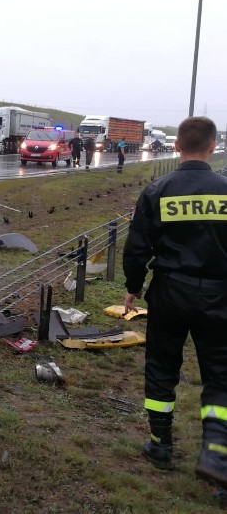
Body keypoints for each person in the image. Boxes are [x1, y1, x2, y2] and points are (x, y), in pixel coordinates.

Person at [122, 116, 227, 487]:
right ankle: (216, 452)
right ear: (213, 146)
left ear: (178, 146)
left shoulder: (158, 190)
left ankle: (160, 445)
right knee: (220, 371)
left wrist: (133, 286)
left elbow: (137, 246)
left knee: (162, 366)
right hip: (220, 295)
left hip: (170, 291)